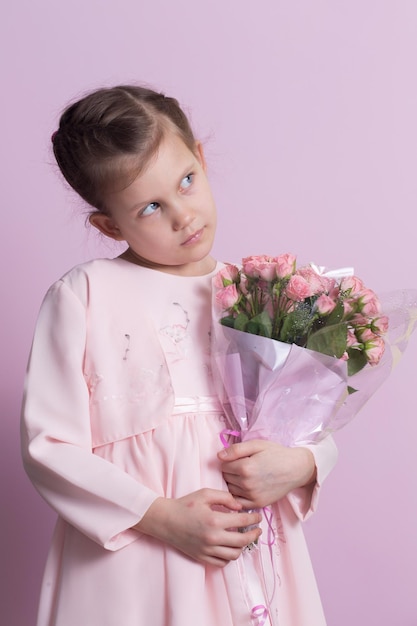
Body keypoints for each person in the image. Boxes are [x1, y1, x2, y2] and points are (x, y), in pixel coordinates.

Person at [21, 84, 338, 626]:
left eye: (187, 181)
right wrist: (160, 516)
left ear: (201, 156)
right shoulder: (85, 294)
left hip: (248, 546)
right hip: (137, 560)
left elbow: (304, 421)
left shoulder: (260, 293)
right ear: (109, 226)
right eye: (150, 207)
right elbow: (49, 446)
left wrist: (305, 463)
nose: (183, 216)